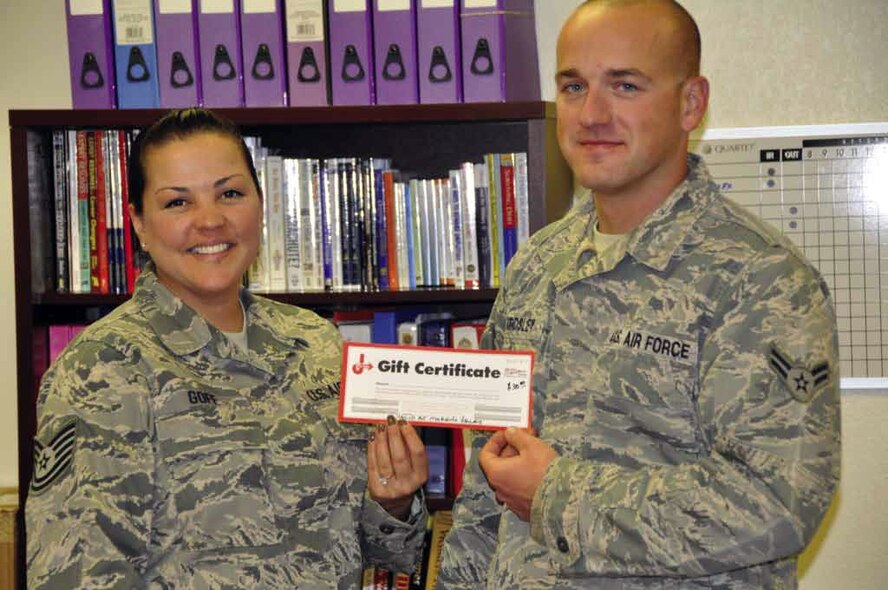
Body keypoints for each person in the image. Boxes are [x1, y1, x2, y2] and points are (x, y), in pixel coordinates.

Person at [437, 0, 841, 587]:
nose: (592, 114)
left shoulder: (761, 280)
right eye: (574, 86)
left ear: (690, 103)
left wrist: (557, 495)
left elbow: (776, 505)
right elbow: (487, 477)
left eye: (625, 86)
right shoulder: (537, 263)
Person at [26, 108, 429, 588]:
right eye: (178, 203)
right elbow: (75, 576)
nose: (210, 221)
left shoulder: (315, 342)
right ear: (138, 223)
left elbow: (381, 550)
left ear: (260, 204)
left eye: (230, 193)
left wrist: (393, 502)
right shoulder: (105, 367)